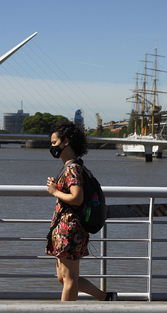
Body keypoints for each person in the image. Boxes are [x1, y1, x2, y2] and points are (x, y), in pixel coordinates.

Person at [45, 120, 117, 301]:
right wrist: (57, 187)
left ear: (66, 141)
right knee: (65, 278)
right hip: (67, 230)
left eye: (54, 143)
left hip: (70, 230)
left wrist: (55, 191)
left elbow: (77, 198)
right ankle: (106, 297)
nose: (52, 147)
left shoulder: (73, 168)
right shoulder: (71, 167)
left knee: (69, 279)